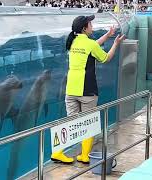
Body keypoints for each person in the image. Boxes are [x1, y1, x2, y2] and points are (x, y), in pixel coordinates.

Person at [51, 15, 125, 164]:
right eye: (90, 24)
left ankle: (57, 152)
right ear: (84, 28)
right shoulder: (90, 44)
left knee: (71, 122)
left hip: (71, 89)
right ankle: (84, 156)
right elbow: (105, 57)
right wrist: (115, 43)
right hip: (87, 90)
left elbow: (91, 47)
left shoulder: (72, 42)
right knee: (88, 123)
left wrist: (107, 35)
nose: (92, 26)